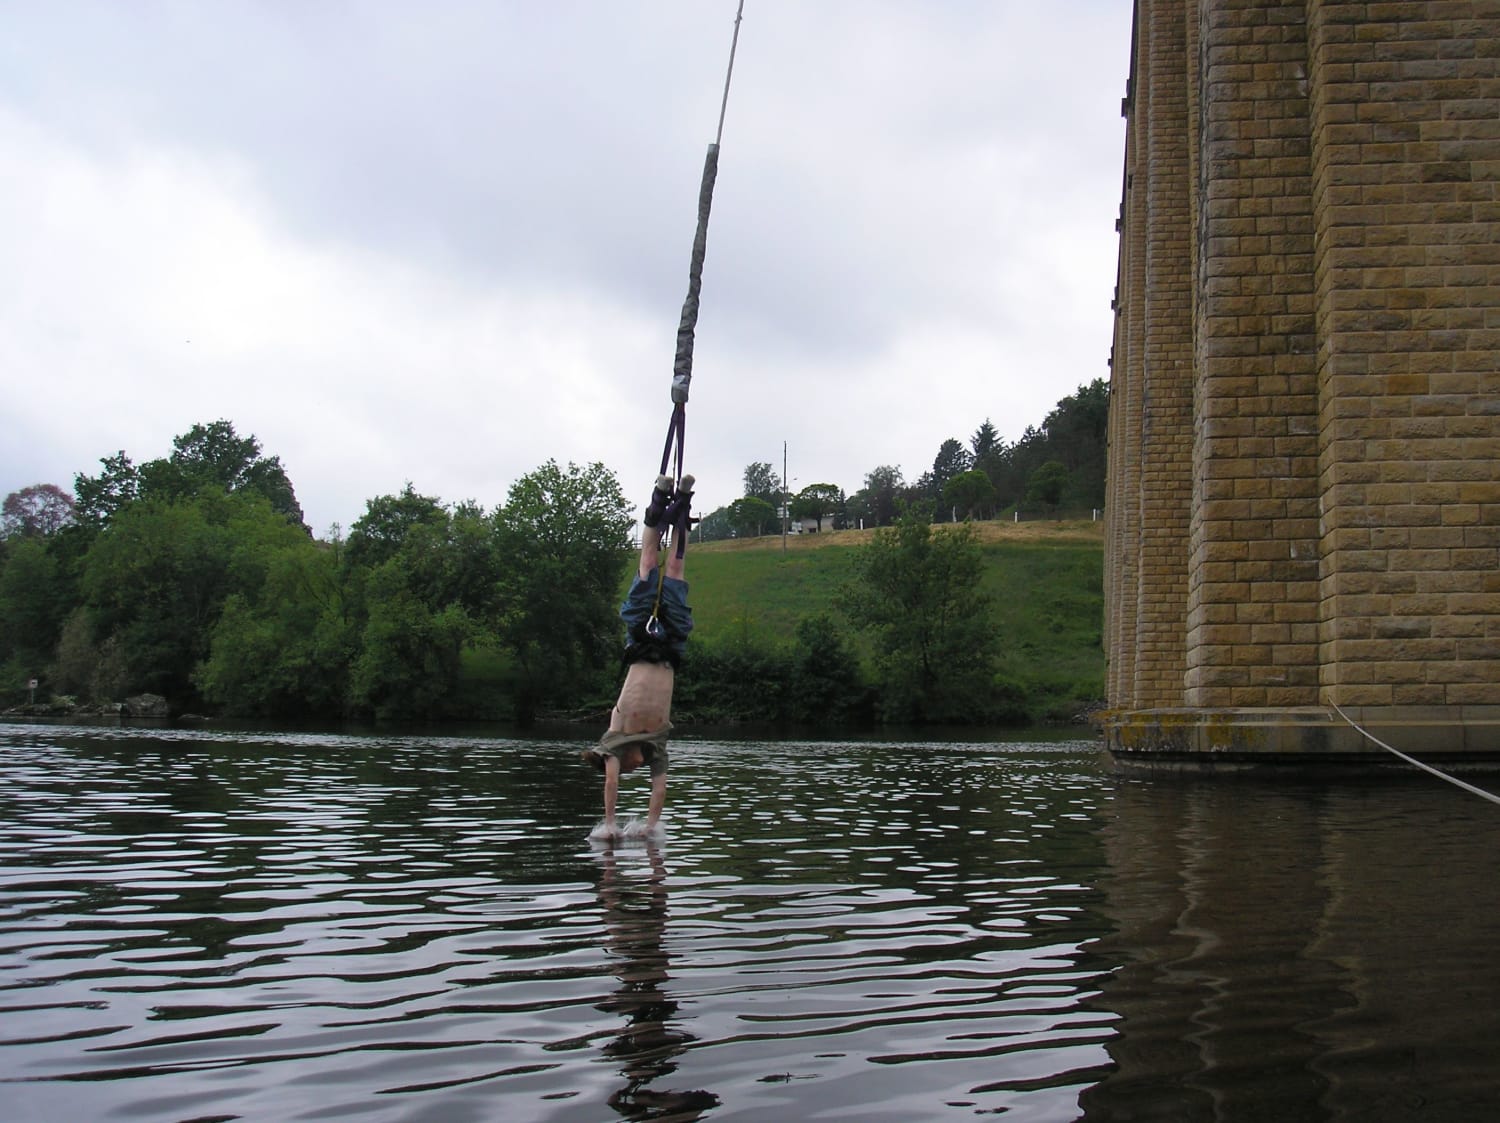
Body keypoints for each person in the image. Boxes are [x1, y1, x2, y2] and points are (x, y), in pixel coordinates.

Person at [583, 473, 695, 839]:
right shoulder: (656, 745)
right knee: (675, 569)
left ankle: (658, 501)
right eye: (631, 770)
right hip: (670, 645)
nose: (629, 770)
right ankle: (683, 505)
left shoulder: (614, 740)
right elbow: (659, 789)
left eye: (622, 769)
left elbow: (610, 784)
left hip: (639, 638)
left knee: (648, 562)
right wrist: (649, 829)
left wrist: (611, 824)